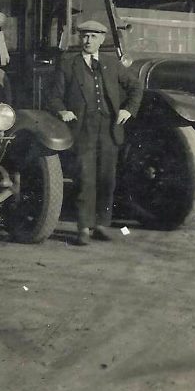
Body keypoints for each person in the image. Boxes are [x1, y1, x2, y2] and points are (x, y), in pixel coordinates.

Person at [47, 20, 143, 246]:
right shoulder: (68, 64)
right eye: (84, 36)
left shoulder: (112, 64)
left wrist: (128, 110)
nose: (88, 40)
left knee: (107, 179)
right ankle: (83, 228)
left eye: (93, 36)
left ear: (102, 39)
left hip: (110, 129)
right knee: (85, 178)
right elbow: (54, 96)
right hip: (83, 129)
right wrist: (63, 111)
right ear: (80, 39)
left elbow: (136, 87)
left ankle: (101, 225)